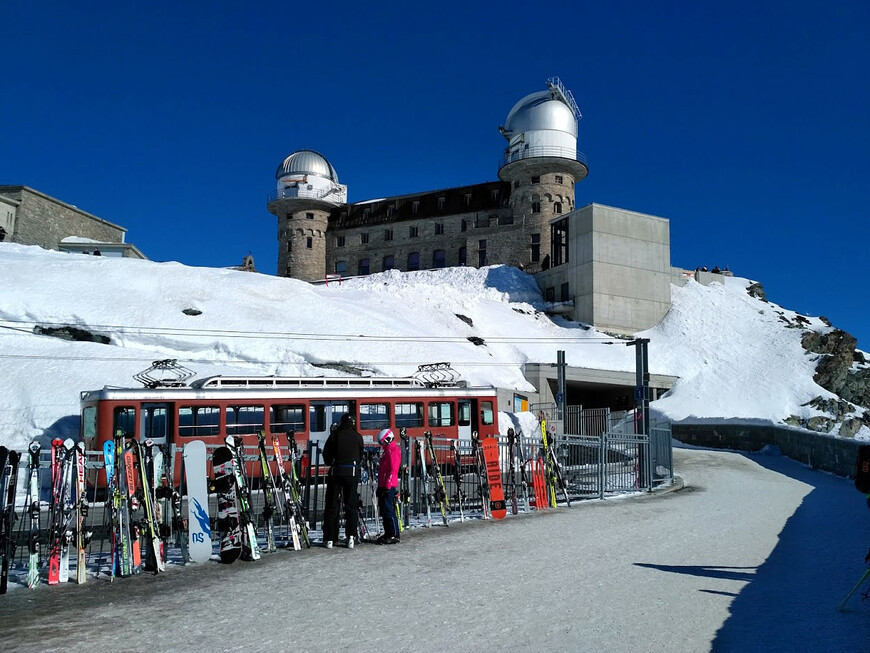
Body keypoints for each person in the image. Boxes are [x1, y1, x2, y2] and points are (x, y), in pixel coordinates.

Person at [321, 413, 364, 549]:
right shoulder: (358, 437)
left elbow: (326, 453)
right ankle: (351, 536)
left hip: (336, 472)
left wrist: (331, 462)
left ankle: (330, 538)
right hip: (351, 473)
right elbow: (360, 454)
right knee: (350, 505)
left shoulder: (335, 435)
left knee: (332, 505)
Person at [375, 428, 401, 544]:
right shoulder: (387, 452)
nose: (381, 444)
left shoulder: (393, 451)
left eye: (383, 442)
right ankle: (388, 532)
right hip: (384, 484)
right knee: (385, 510)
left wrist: (387, 486)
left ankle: (394, 534)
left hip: (388, 485)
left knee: (388, 510)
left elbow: (393, 470)